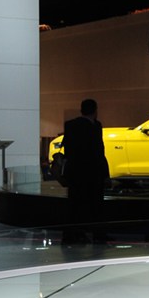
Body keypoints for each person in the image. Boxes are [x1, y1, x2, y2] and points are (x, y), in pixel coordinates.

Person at [61, 99, 109, 244]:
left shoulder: (70, 125)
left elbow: (69, 150)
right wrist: (105, 173)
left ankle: (72, 234)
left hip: (76, 172)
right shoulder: (96, 126)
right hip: (93, 173)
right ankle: (97, 234)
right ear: (95, 110)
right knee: (96, 205)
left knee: (74, 205)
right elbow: (99, 151)